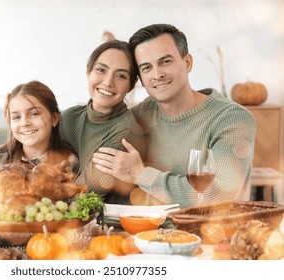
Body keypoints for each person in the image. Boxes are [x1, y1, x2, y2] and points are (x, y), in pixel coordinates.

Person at [92, 24, 256, 208]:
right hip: (139, 233)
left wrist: (141, 174)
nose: (157, 74)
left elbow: (215, 195)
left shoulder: (231, 118)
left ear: (187, 63)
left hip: (206, 235)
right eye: (146, 68)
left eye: (165, 62)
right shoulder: (140, 115)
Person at [59, 39, 146, 205]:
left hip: (113, 226)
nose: (108, 82)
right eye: (101, 70)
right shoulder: (70, 117)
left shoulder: (125, 131)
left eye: (121, 75)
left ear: (131, 85)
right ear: (88, 72)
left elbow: (83, 193)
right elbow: (37, 156)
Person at [0, 80, 78, 181]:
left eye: (34, 114)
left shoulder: (69, 162)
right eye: (16, 117)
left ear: (54, 118)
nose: (24, 123)